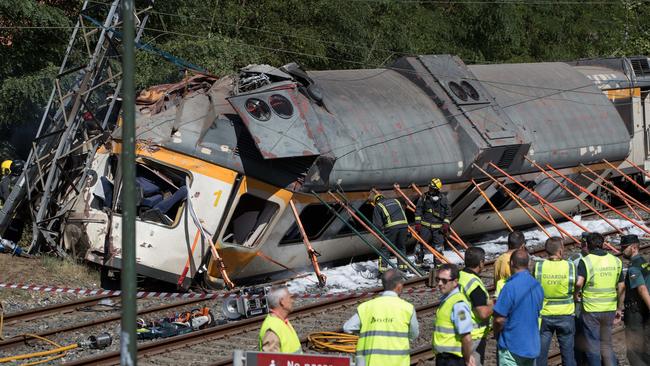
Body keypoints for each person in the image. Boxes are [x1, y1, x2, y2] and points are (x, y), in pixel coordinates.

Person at [344, 269, 418, 366]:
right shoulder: (407, 308)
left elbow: (347, 327)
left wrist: (368, 329)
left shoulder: (366, 307)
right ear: (399, 286)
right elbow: (414, 335)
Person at [575, 232, 624, 366]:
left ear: (588, 245)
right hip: (609, 308)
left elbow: (579, 283)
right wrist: (619, 308)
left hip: (591, 309)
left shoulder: (586, 261)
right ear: (602, 244)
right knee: (606, 344)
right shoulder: (615, 260)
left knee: (592, 345)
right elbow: (621, 286)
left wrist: (576, 294)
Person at [493, 249, 544, 366]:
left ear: (511, 264)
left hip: (511, 346)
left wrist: (496, 334)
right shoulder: (537, 286)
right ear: (528, 264)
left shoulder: (509, 287)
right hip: (532, 346)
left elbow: (499, 319)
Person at [533, 236, 576, 366]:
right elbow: (577, 284)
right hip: (566, 314)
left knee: (541, 355)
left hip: (544, 314)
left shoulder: (539, 267)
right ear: (561, 251)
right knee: (568, 354)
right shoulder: (570, 266)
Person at [432, 263, 475, 366]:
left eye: (444, 280)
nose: (440, 283)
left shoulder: (458, 305)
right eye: (438, 279)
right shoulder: (448, 300)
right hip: (444, 359)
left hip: (453, 360)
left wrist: (468, 358)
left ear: (455, 282)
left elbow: (466, 336)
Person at [458, 247, 492, 366]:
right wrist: (493, 305)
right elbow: (482, 313)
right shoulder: (474, 284)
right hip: (473, 337)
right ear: (481, 263)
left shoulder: (459, 276)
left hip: (459, 332)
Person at [620, 234, 650, 366]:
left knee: (634, 351)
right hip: (644, 309)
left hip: (636, 311)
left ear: (633, 248)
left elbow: (642, 289)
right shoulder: (645, 262)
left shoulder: (634, 268)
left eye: (624, 247)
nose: (621, 250)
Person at [414, 178, 451, 263]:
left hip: (438, 228)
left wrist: (446, 223)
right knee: (420, 246)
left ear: (437, 190)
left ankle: (438, 266)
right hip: (425, 227)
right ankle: (418, 264)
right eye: (429, 188)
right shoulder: (424, 197)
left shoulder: (443, 199)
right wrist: (418, 223)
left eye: (432, 189)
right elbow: (418, 210)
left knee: (439, 248)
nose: (430, 190)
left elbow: (448, 213)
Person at [371, 192, 409, 271]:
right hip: (404, 225)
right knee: (401, 247)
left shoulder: (378, 206)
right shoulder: (395, 201)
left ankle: (382, 270)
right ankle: (403, 268)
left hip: (392, 227)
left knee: (385, 248)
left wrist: (380, 235)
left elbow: (377, 224)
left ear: (375, 202)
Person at [258, 286, 302, 353]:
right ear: (282, 302)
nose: (292, 301)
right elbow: (270, 361)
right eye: (290, 297)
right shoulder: (272, 330)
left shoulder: (283, 321)